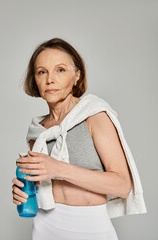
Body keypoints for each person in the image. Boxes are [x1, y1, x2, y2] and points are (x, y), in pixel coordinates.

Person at [11, 38, 146, 239]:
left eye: (60, 70)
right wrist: (22, 191)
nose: (50, 79)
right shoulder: (38, 132)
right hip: (44, 227)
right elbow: (43, 187)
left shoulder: (94, 116)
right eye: (42, 72)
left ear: (77, 75)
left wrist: (58, 168)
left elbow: (123, 185)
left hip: (90, 228)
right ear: (35, 79)